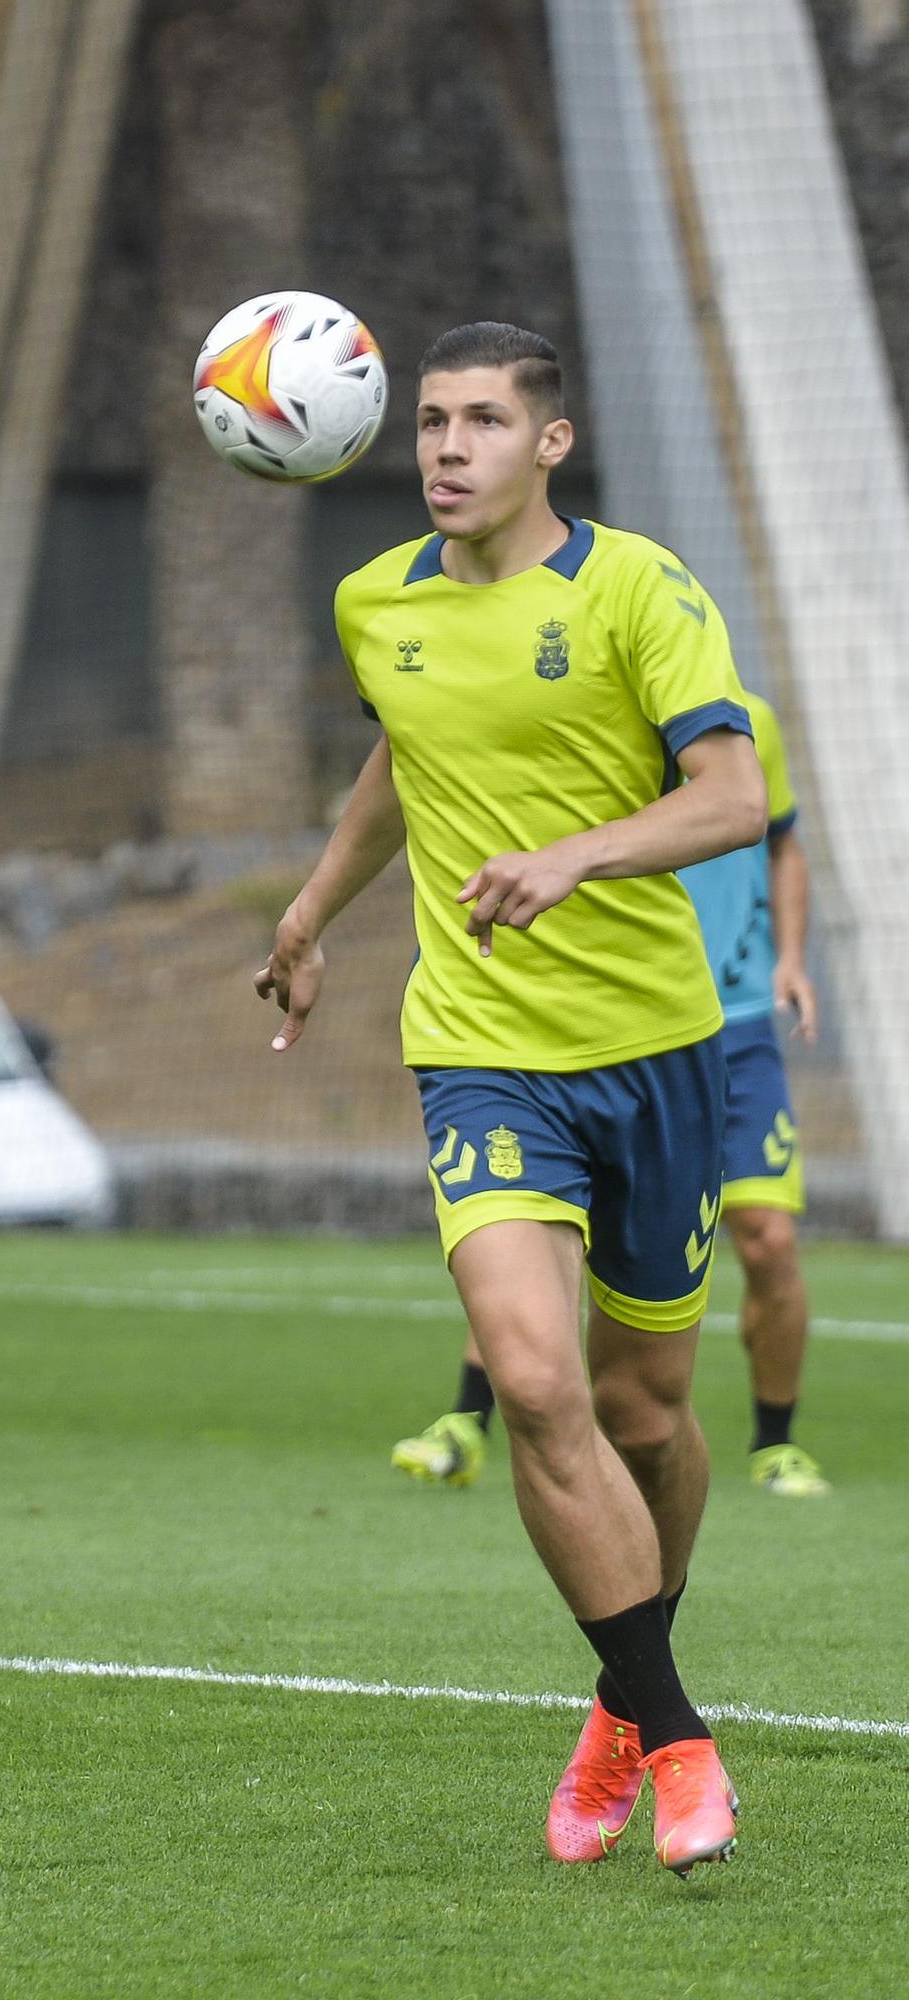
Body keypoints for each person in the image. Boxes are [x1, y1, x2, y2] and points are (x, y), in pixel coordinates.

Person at [255, 323, 767, 1875]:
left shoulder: (636, 588)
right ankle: (677, 1741)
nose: (444, 448)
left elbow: (731, 795)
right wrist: (310, 910)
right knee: (535, 1388)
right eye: (427, 421)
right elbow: (402, 765)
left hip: (655, 1049)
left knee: (646, 1412)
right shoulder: (374, 603)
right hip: (477, 1048)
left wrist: (574, 854)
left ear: (549, 443)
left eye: (482, 421)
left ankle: (618, 1699)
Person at [393, 689, 829, 1498]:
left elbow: (782, 842)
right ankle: (464, 1419)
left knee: (766, 1236)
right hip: (595, 1026)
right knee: (535, 1226)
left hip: (729, 1027)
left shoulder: (747, 727)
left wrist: (790, 957)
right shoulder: (561, 714)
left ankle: (776, 1443)